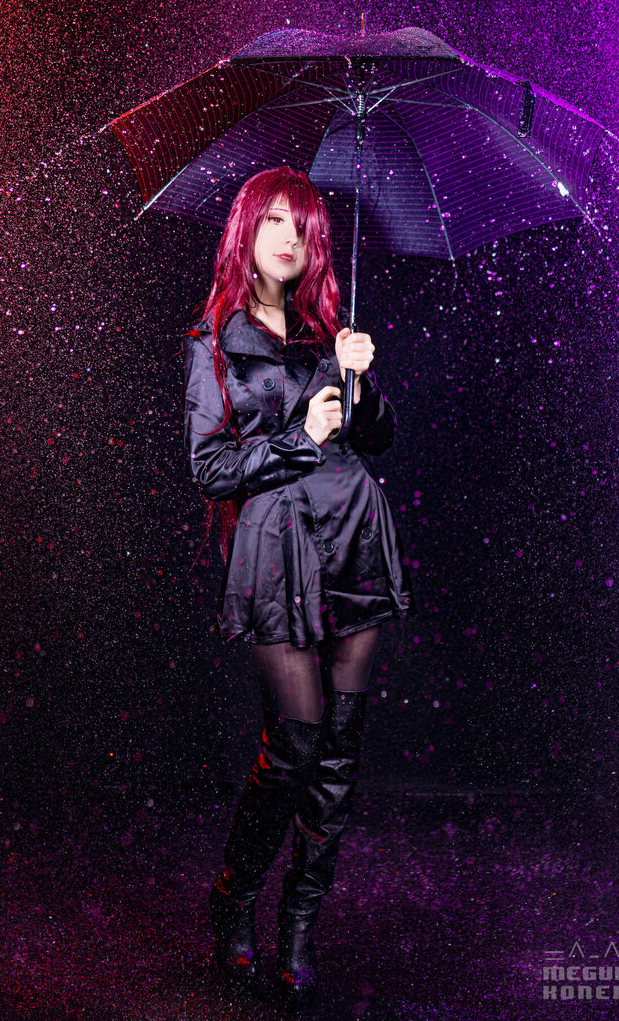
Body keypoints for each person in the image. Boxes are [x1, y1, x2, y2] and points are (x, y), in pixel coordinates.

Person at [181, 166, 415, 1002]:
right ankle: (232, 898)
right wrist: (299, 438)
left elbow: (377, 439)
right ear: (246, 229)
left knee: (340, 754)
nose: (288, 236)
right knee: (295, 747)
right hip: (277, 550)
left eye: (302, 224)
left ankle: (299, 927)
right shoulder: (212, 341)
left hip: (354, 538)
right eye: (274, 219)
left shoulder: (330, 333)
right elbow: (210, 469)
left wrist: (362, 378)